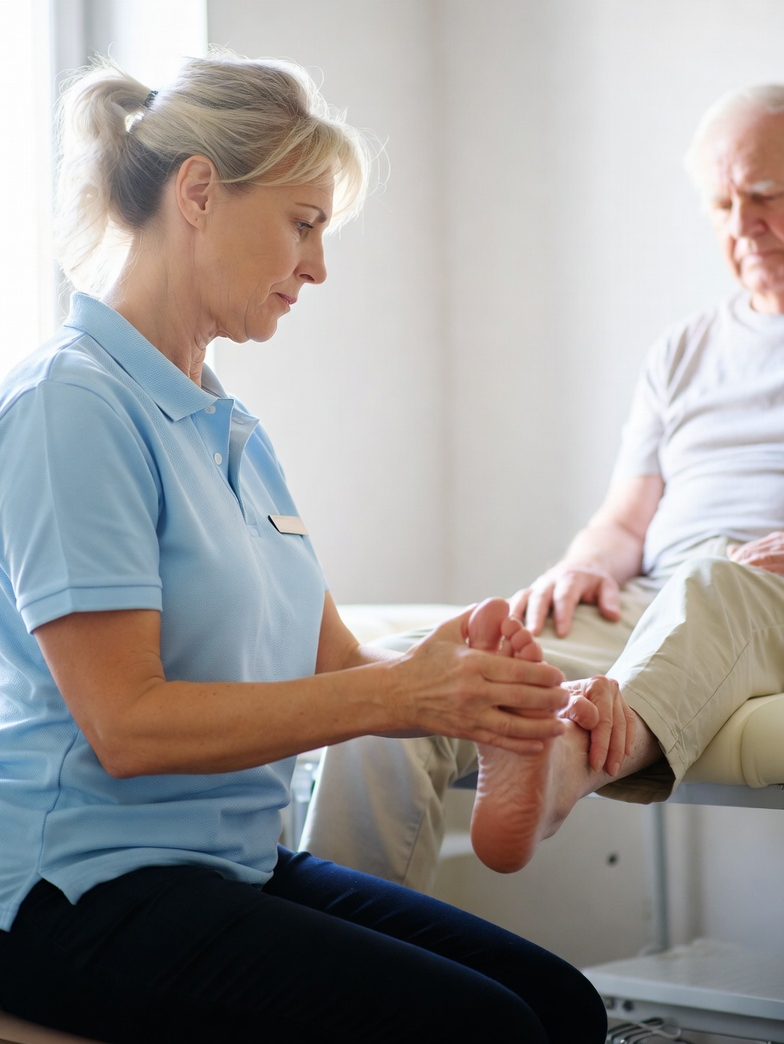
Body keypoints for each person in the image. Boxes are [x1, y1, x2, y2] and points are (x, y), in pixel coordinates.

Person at [0, 54, 608, 1043]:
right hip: (75, 888)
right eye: (303, 223)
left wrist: (462, 671)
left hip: (225, 862)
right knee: (485, 1029)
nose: (317, 267)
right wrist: (400, 693)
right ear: (198, 192)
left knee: (562, 1007)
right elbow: (127, 724)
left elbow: (333, 669)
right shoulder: (72, 405)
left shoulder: (228, 426)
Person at [301, 82, 784, 885]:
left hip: (765, 598)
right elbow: (627, 522)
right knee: (404, 679)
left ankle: (565, 761)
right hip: (663, 596)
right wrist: (585, 563)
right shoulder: (684, 350)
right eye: (723, 204)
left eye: (766, 196)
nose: (744, 225)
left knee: (715, 583)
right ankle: (327, 963)